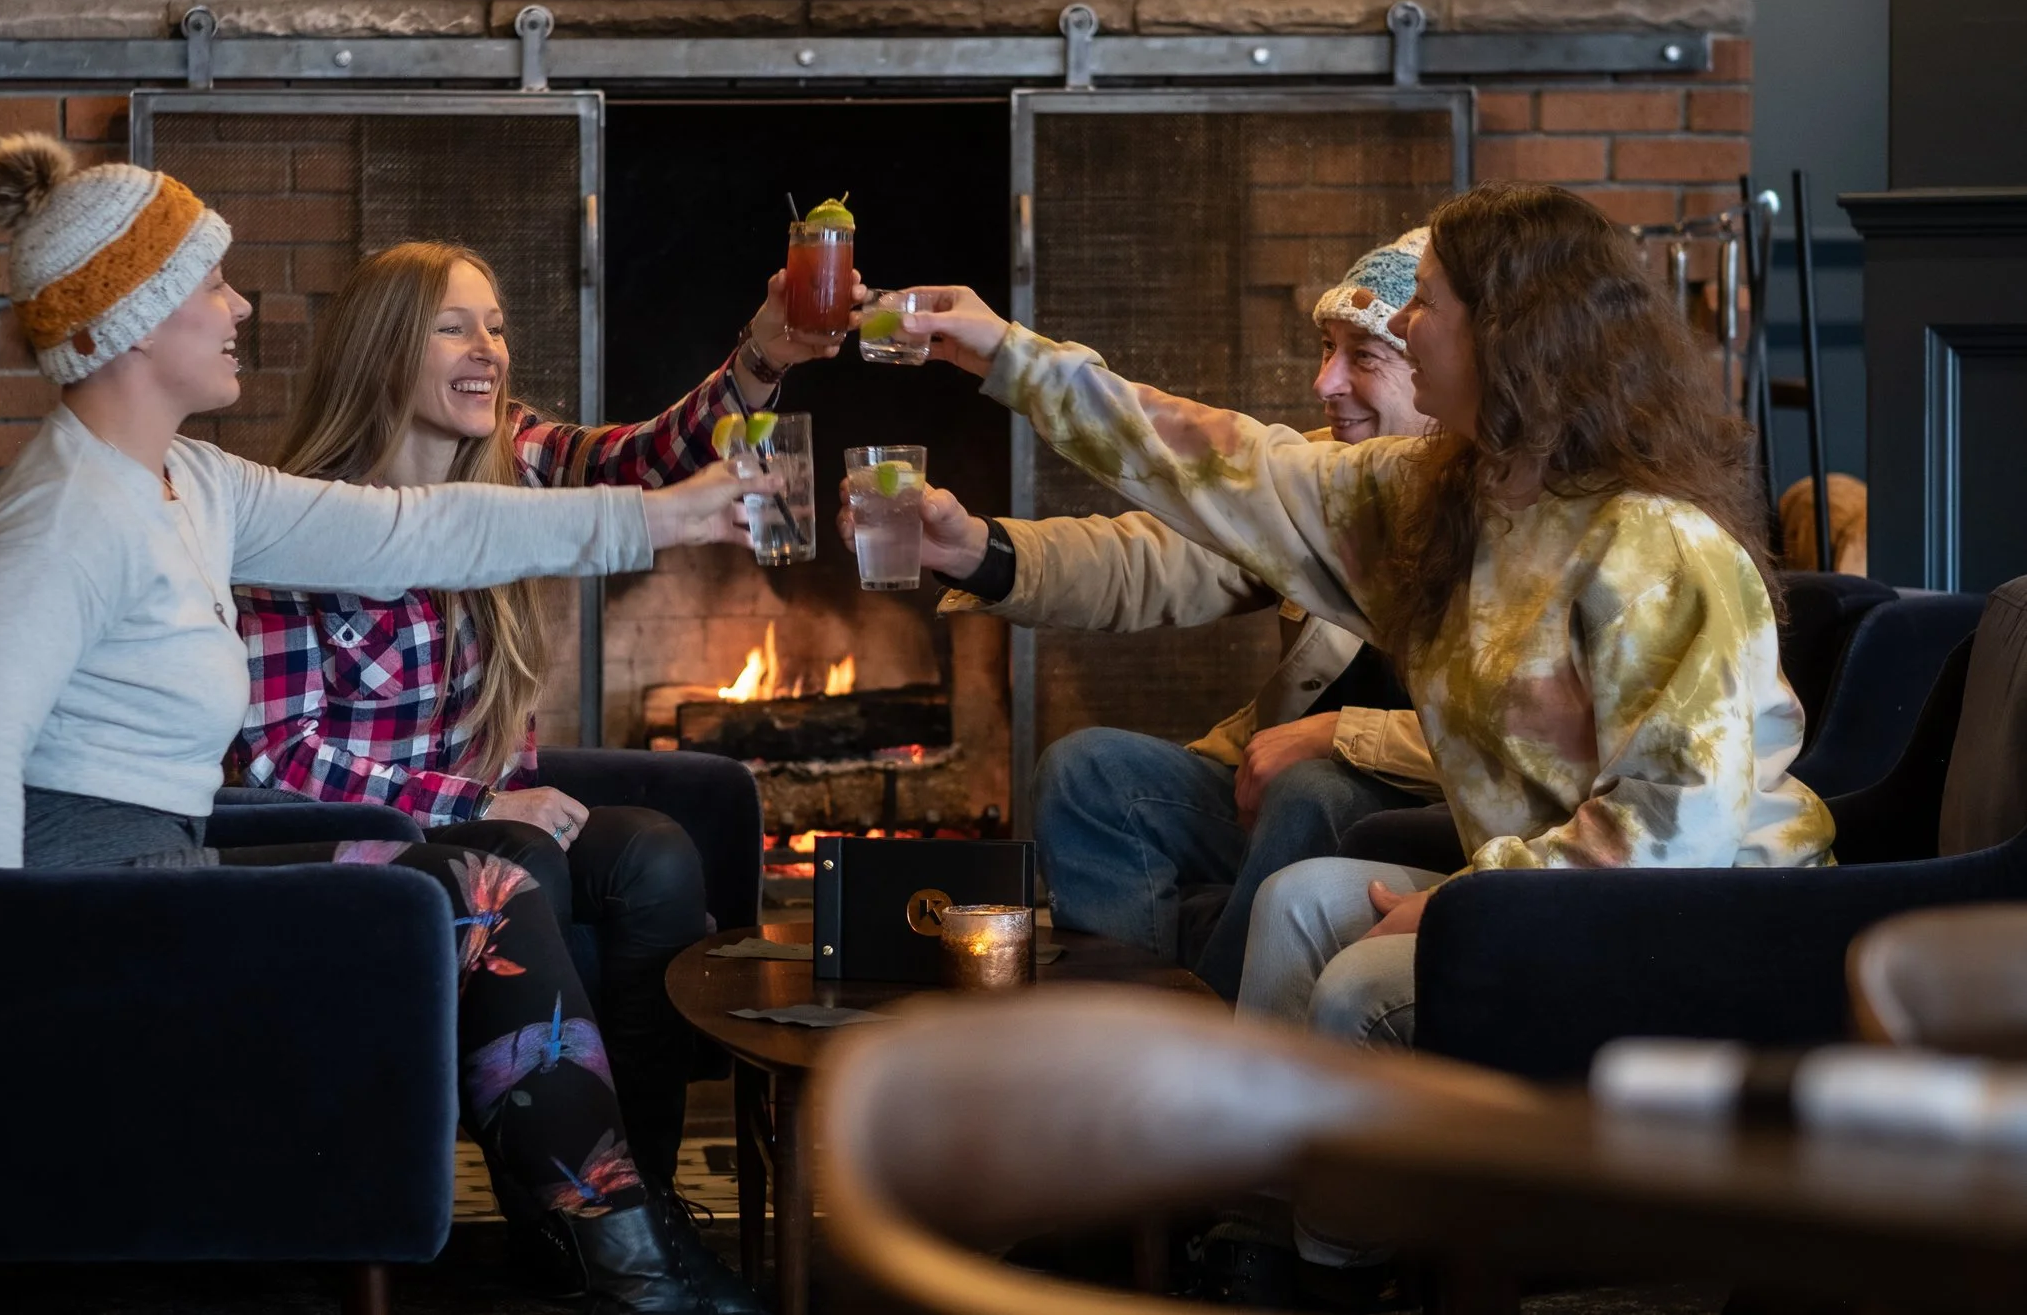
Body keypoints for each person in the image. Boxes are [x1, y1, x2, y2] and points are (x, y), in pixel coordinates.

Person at [0, 135, 761, 1315]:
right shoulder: (63, 514)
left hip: (172, 860)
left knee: (476, 877)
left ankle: (617, 1240)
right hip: (94, 898)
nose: (239, 306)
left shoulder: (190, 482)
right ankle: (625, 1259)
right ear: (140, 316)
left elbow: (419, 531)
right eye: (211, 283)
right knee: (480, 882)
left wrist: (661, 520)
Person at [877, 182, 1830, 1050]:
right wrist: (1009, 356)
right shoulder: (1450, 498)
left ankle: (1320, 1241)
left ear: (1510, 332)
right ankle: (1224, 1196)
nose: (1409, 329)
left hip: (1704, 918)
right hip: (1546, 891)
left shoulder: (1654, 544)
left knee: (1359, 977)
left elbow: (1676, 829)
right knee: (1296, 903)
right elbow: (1225, 466)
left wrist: (1471, 902)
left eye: (1425, 304)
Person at [226, 240, 844, 1207]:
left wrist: (762, 356)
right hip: (366, 841)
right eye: (453, 326)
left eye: (498, 326)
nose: (489, 348)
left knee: (659, 856)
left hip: (487, 810)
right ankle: (566, 1214)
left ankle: (641, 1191)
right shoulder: (295, 522)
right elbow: (278, 758)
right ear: (384, 348)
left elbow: (640, 463)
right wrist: (476, 799)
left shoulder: (511, 456)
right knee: (531, 858)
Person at [854, 232, 1441, 999]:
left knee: (1313, 789)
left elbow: (1534, 756)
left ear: (1438, 371)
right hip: (1268, 784)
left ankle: (1203, 1064)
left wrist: (1343, 734)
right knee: (1087, 771)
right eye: (1326, 348)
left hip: (1411, 812)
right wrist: (976, 551)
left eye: (1363, 358)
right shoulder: (1328, 482)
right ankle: (1121, 1040)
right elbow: (1153, 562)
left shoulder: (1502, 509)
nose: (1323, 380)